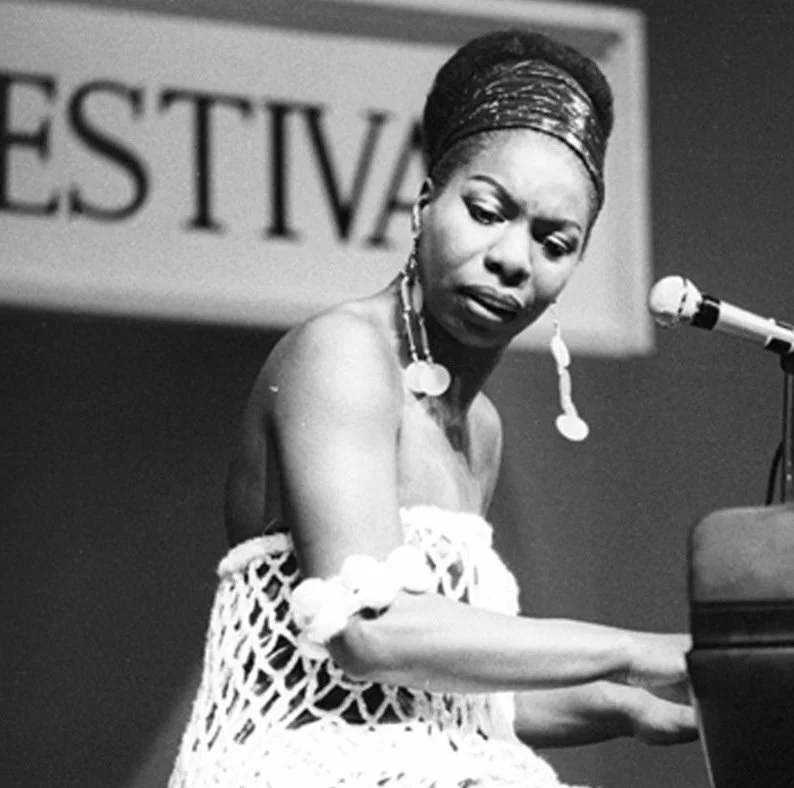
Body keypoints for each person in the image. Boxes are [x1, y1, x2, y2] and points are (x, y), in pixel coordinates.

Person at [168, 29, 697, 788]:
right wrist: (635, 652)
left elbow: (446, 692)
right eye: (486, 212)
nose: (513, 258)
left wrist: (629, 706)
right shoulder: (342, 352)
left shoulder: (479, 430)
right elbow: (370, 632)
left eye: (554, 243)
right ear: (424, 205)